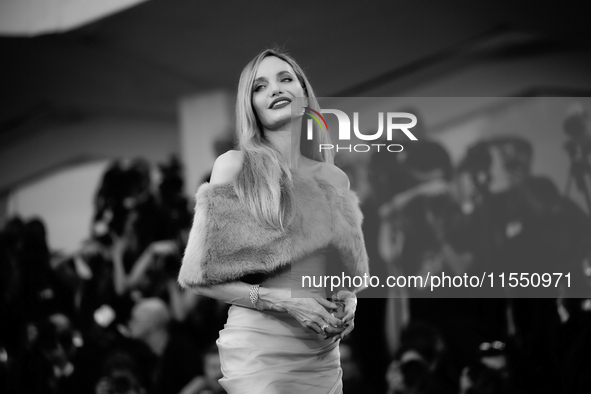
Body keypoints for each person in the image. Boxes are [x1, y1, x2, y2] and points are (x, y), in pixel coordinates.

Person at [178, 48, 370, 393]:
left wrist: (349, 301)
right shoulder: (234, 166)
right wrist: (283, 301)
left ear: (304, 92)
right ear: (249, 105)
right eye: (260, 86)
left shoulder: (334, 178)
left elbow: (346, 275)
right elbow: (199, 278)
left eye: (285, 79)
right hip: (261, 350)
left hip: (322, 354)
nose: (276, 89)